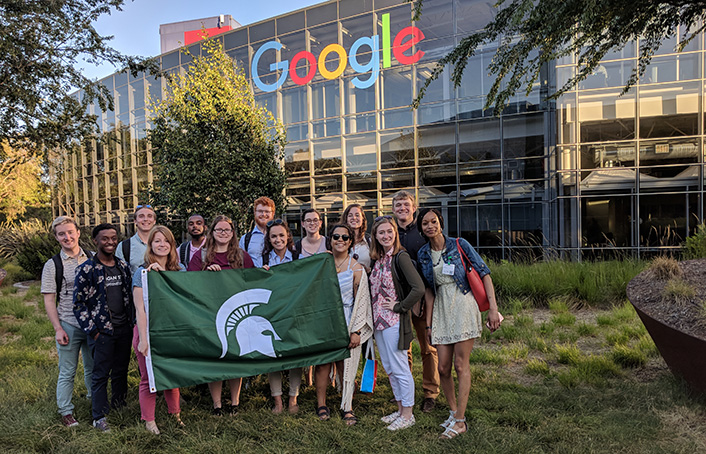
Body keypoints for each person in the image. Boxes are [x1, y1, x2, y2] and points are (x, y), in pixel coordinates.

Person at [416, 208, 502, 439]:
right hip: (441, 309)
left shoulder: (459, 244)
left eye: (434, 221)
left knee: (461, 365)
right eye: (425, 223)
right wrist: (429, 325)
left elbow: (484, 273)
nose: (430, 226)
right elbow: (429, 293)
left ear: (440, 223)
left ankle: (461, 422)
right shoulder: (423, 254)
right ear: (421, 228)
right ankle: (454, 412)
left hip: (463, 303)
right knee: (443, 367)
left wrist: (493, 309)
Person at [188, 215, 254, 415]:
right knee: (215, 357)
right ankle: (217, 403)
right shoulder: (201, 256)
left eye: (227, 230)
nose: (223, 233)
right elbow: (190, 283)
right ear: (212, 233)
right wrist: (206, 275)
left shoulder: (242, 256)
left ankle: (234, 401)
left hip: (237, 314)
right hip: (211, 314)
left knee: (236, 355)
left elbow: (252, 282)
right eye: (219, 230)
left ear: (233, 233)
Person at [73, 223, 135, 433]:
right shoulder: (86, 269)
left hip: (124, 329)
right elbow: (78, 304)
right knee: (100, 374)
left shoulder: (123, 266)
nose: (110, 242)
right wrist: (94, 331)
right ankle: (99, 416)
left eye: (113, 238)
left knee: (121, 371)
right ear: (95, 241)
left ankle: (119, 405)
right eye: (105, 239)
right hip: (102, 332)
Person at [368, 216, 424, 431]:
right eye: (381, 232)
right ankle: (400, 409)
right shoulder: (380, 258)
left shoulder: (400, 257)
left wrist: (400, 307)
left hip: (393, 321)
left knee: (400, 367)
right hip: (379, 322)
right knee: (389, 368)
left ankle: (408, 415)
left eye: (389, 231)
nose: (386, 236)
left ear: (395, 233)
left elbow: (417, 288)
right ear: (375, 236)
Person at [314, 224, 372, 425]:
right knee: (322, 365)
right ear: (330, 239)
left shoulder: (357, 269)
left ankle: (347, 405)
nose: (340, 240)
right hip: (324, 320)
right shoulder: (321, 264)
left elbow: (361, 302)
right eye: (336, 236)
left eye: (344, 237)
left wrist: (356, 330)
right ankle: (321, 404)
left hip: (346, 320)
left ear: (350, 241)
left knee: (345, 365)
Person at [41, 216, 94, 427]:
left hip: (91, 325)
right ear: (56, 237)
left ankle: (94, 404)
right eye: (62, 234)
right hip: (68, 324)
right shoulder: (53, 265)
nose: (67, 237)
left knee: (93, 367)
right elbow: (49, 298)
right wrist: (57, 328)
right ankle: (66, 411)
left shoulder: (91, 257)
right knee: (67, 370)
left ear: (78, 232)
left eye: (70, 232)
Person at [132, 225, 186, 434]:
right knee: (149, 378)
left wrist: (163, 276)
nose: (162, 244)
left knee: (173, 375)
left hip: (172, 331)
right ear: (150, 245)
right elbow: (140, 309)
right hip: (148, 330)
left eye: (166, 241)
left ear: (172, 245)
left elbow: (183, 299)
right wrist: (143, 339)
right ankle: (149, 421)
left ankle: (175, 415)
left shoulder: (180, 270)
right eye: (157, 241)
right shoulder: (142, 272)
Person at [392, 190, 440, 413]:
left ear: (413, 207)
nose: (402, 208)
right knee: (403, 348)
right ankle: (405, 390)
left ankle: (430, 392)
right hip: (397, 299)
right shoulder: (389, 231)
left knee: (428, 347)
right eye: (398, 205)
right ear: (393, 209)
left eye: (406, 204)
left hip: (422, 297)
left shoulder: (422, 232)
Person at [260, 219, 301, 414]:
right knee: (272, 354)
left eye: (281, 236)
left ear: (288, 237)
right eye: (274, 236)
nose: (278, 239)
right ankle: (277, 400)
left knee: (295, 354)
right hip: (272, 312)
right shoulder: (264, 258)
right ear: (269, 238)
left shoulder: (297, 255)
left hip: (292, 310)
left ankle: (293, 397)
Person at [116, 204, 157, 273]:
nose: (145, 219)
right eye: (141, 216)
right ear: (135, 221)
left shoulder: (165, 244)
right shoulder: (124, 246)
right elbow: (120, 274)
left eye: (149, 216)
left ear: (154, 221)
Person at [239, 196, 275, 268]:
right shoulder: (245, 239)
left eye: (267, 211)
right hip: (253, 278)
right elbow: (240, 264)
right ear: (255, 213)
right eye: (260, 211)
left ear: (273, 213)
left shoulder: (281, 237)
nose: (263, 214)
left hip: (276, 278)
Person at [341, 203, 371, 274]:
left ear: (362, 218)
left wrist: (369, 270)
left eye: (357, 215)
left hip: (365, 282)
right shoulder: (339, 240)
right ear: (346, 219)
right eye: (350, 215)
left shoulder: (370, 241)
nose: (354, 218)